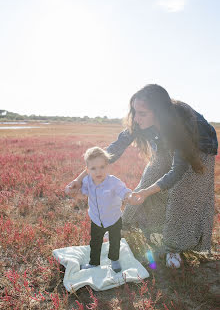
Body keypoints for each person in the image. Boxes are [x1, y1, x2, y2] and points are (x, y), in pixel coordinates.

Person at [65, 84, 218, 269]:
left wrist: (148, 192)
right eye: (134, 112)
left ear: (159, 112)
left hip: (197, 149)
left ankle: (174, 247)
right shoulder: (140, 122)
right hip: (165, 142)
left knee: (182, 196)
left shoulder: (180, 124)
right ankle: (124, 226)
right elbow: (114, 149)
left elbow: (177, 172)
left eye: (142, 113)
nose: (136, 118)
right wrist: (80, 178)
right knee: (148, 179)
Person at [65, 146, 140, 272]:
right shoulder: (87, 181)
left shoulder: (113, 182)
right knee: (95, 242)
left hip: (114, 218)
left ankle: (114, 259)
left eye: (102, 167)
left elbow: (124, 191)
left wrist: (130, 196)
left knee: (115, 241)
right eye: (93, 168)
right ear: (87, 170)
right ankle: (94, 262)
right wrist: (72, 192)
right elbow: (82, 193)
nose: (98, 172)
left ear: (108, 166)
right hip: (96, 219)